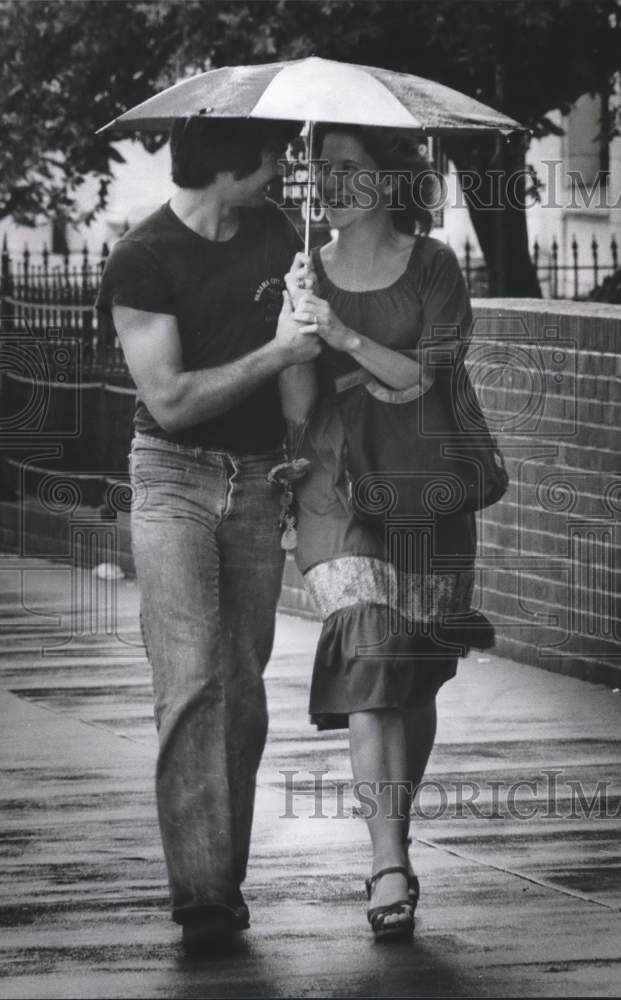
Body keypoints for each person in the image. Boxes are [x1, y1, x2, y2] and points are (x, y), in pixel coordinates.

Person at [95, 116, 321, 955]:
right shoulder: (142, 259)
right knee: (189, 680)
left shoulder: (277, 235)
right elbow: (173, 402)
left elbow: (297, 380)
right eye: (273, 158)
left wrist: (304, 332)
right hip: (172, 479)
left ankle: (221, 878)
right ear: (236, 164)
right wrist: (277, 350)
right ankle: (202, 898)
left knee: (242, 685)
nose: (282, 171)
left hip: (261, 478)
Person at [282, 124, 493, 943]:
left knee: (413, 676)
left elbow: (426, 375)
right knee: (370, 644)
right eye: (315, 167)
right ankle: (385, 862)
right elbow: (299, 411)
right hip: (337, 486)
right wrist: (298, 329)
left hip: (426, 485)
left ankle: (393, 841)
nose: (324, 181)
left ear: (385, 177)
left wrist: (340, 334)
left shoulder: (436, 268)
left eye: (343, 167)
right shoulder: (302, 273)